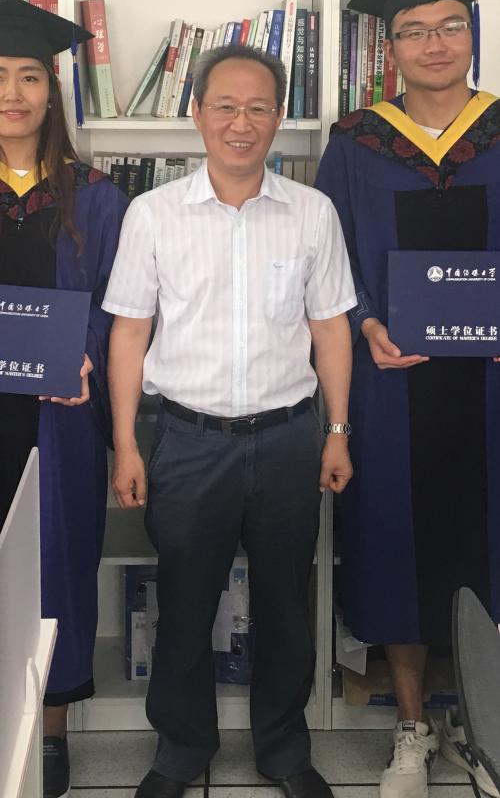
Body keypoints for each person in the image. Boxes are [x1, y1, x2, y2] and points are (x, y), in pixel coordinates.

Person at [103, 43, 356, 798]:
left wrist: (337, 430)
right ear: (197, 113)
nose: (240, 123)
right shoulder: (153, 215)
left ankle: (284, 750)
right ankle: (182, 750)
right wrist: (126, 444)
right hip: (186, 441)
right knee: (184, 607)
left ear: (278, 117)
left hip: (288, 439)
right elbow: (129, 332)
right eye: (225, 106)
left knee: (286, 606)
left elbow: (331, 328)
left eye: (257, 108)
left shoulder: (312, 212)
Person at [315, 0, 500, 798]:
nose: (435, 44)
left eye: (451, 26)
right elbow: (326, 262)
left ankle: (490, 726)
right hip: (391, 385)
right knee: (398, 544)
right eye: (415, 30)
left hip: (491, 388)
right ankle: (414, 728)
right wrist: (366, 320)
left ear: (472, 34)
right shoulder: (357, 143)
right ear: (390, 47)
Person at [0, 0, 128, 798]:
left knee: (54, 568)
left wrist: (84, 358)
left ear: (51, 92)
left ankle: (48, 730)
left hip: (62, 417)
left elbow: (119, 305)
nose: (12, 94)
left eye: (28, 76)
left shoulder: (95, 196)